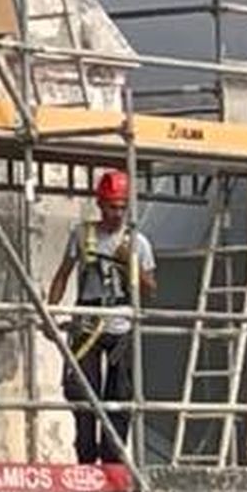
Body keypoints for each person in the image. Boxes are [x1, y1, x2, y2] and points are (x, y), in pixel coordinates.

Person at [46, 167, 156, 466]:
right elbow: (62, 277)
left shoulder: (137, 242)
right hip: (87, 325)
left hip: (121, 328)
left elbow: (150, 290)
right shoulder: (82, 235)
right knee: (83, 397)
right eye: (111, 206)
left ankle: (113, 464)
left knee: (118, 401)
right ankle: (85, 460)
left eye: (122, 207)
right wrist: (50, 313)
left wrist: (128, 265)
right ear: (100, 204)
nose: (117, 213)